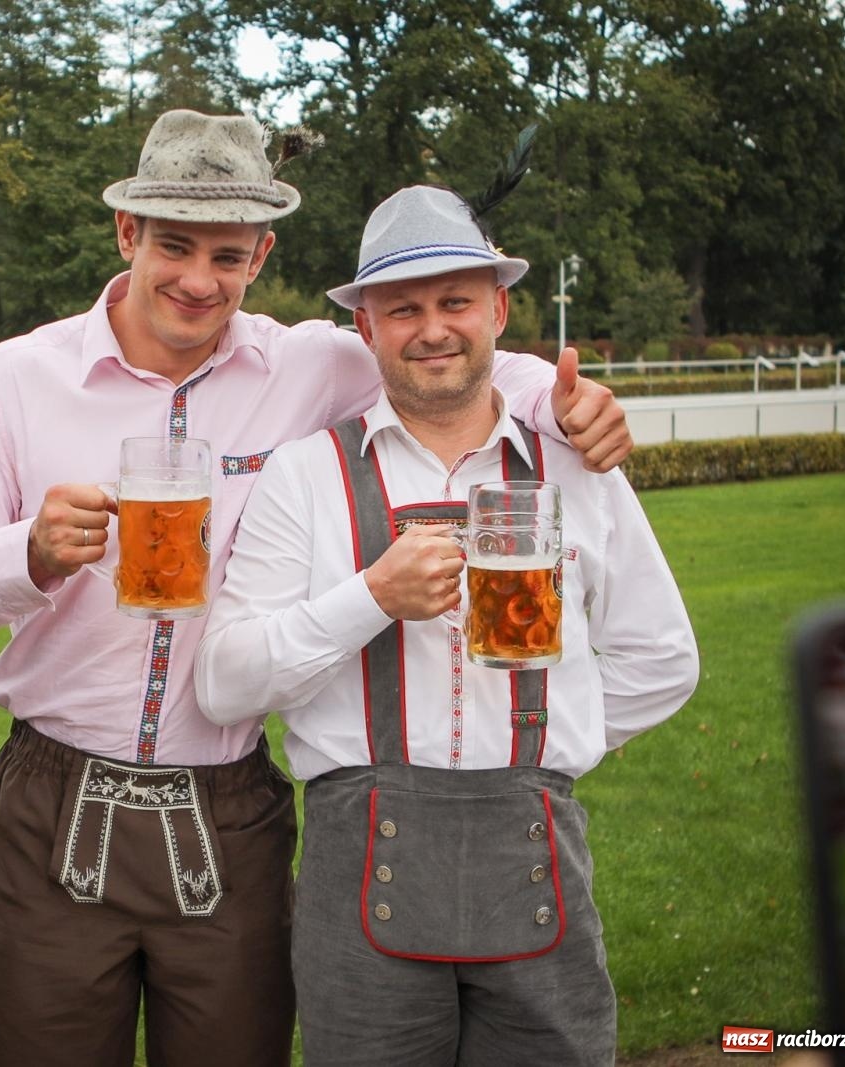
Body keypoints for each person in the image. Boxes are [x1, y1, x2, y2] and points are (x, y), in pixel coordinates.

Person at [0, 109, 635, 1066]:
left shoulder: (314, 363)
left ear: (264, 252)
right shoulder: (13, 380)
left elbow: (449, 353)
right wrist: (31, 553)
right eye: (174, 245)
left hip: (231, 801)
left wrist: (560, 399)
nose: (199, 280)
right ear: (127, 233)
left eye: (230, 253)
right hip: (55, 794)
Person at [194, 184, 699, 1064]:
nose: (433, 328)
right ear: (366, 329)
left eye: (456, 301)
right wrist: (370, 599)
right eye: (404, 308)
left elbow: (662, 658)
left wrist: (552, 743)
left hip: (538, 846)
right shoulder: (305, 476)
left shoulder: (578, 467)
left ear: (499, 309)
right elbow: (225, 679)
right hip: (357, 865)